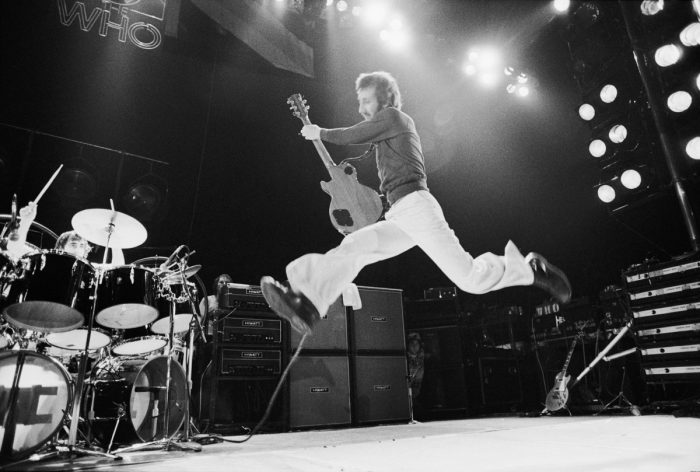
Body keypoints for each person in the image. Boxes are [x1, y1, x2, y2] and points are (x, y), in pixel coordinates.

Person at [261, 71, 571, 335]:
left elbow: (355, 134)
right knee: (354, 247)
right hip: (400, 215)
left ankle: (529, 269)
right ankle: (308, 303)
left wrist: (320, 132)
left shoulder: (394, 117)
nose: (361, 107)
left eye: (366, 100)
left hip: (417, 209)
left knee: (470, 279)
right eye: (360, 101)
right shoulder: (386, 130)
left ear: (385, 98)